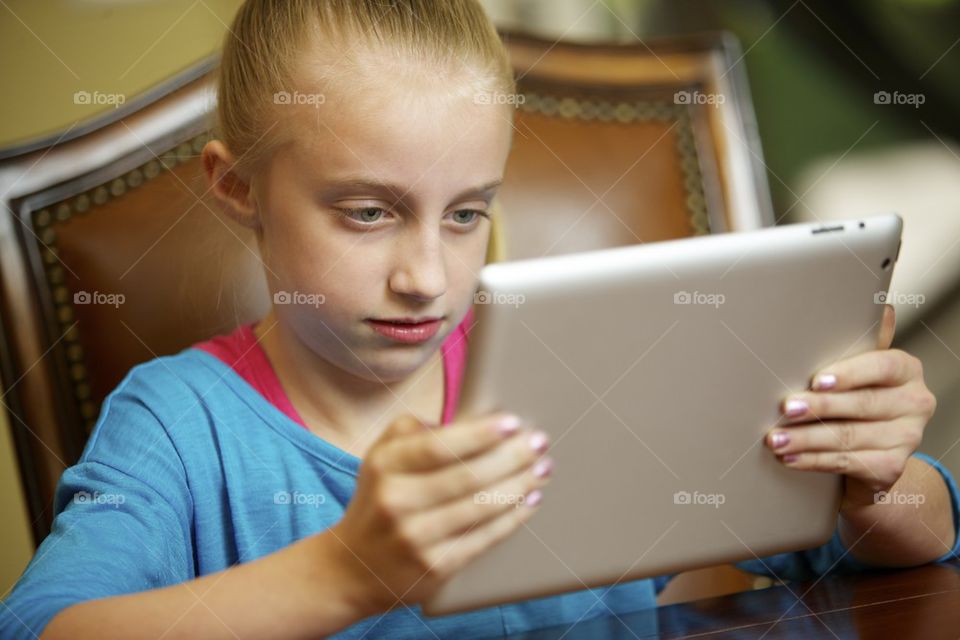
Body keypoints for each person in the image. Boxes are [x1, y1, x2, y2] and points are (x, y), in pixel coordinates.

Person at [2, 1, 958, 638]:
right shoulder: (181, 423)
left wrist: (874, 479)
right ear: (237, 187)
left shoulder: (589, 372)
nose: (426, 276)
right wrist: (348, 571)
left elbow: (903, 544)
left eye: (467, 213)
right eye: (368, 211)